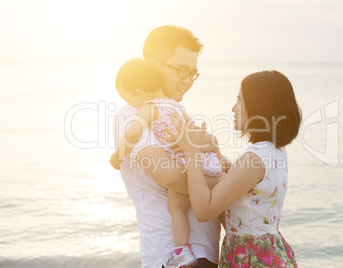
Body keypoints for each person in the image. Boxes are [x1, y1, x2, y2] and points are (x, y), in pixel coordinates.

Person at [112, 25, 222, 268]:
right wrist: (230, 183)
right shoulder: (131, 114)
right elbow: (170, 177)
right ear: (152, 64)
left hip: (205, 253)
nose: (187, 81)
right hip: (169, 256)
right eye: (181, 71)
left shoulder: (174, 112)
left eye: (193, 73)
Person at [170, 70, 301, 267]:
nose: (233, 108)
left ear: (259, 106)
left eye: (240, 101)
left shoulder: (254, 158)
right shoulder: (273, 151)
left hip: (251, 257)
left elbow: (204, 210)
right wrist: (220, 159)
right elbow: (244, 207)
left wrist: (191, 153)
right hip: (265, 251)